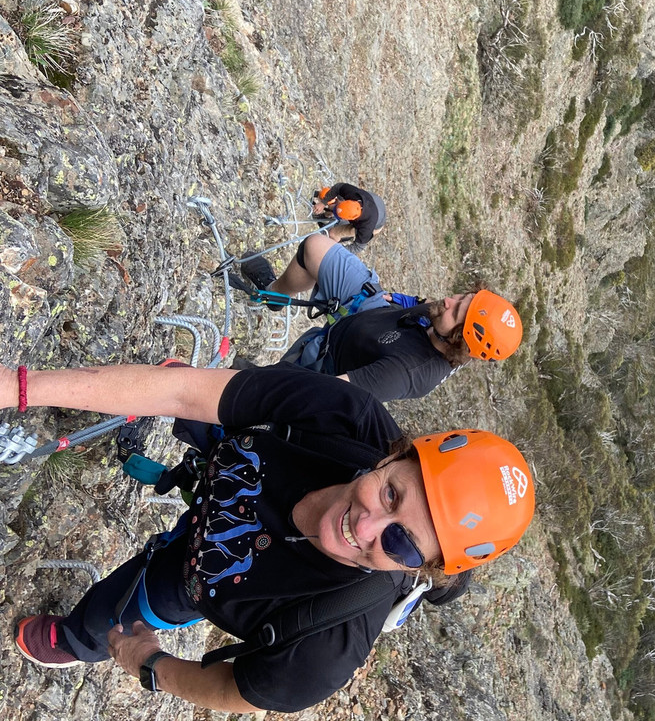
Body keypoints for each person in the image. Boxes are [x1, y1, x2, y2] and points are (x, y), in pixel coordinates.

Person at [7, 363, 534, 713]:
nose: (365, 527)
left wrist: (148, 665)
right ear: (393, 454)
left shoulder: (332, 641)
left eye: (400, 545)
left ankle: (75, 639)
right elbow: (182, 391)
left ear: (417, 570)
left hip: (196, 579)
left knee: (114, 618)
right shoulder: (343, 420)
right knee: (191, 393)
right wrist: (19, 386)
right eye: (392, 494)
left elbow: (241, 690)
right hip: (225, 487)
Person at [239, 231, 523, 402]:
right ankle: (274, 295)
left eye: (458, 309)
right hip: (371, 310)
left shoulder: (406, 373)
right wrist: (399, 300)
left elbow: (327, 395)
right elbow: (425, 304)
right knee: (316, 247)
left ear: (459, 340)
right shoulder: (443, 324)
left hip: (335, 355)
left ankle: (259, 383)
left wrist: (261, 383)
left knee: (281, 386)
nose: (449, 300)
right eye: (462, 297)